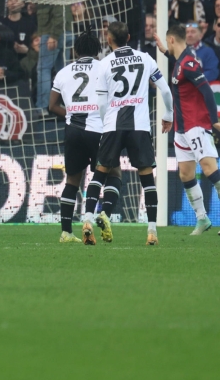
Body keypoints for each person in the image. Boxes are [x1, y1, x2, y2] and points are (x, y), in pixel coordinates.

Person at [91, 21, 172, 246]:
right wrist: (169, 115)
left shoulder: (105, 63)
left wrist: (107, 123)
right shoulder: (145, 58)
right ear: (128, 37)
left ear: (108, 39)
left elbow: (100, 103)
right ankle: (152, 230)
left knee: (102, 171)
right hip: (139, 126)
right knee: (147, 178)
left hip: (113, 126)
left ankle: (88, 218)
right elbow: (165, 90)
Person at [155, 22, 220, 236]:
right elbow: (180, 72)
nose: (167, 44)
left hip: (196, 126)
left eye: (167, 42)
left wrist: (214, 120)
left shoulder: (190, 63)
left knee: (210, 169)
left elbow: (207, 92)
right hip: (182, 129)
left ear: (172, 39)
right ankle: (202, 219)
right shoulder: (181, 61)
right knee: (185, 174)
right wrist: (165, 53)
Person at [48, 33, 104, 244]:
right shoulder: (104, 67)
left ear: (76, 51)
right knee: (106, 173)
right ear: (98, 50)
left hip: (73, 130)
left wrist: (72, 113)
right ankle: (91, 217)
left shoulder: (63, 72)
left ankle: (66, 232)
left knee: (72, 180)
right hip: (97, 128)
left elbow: (52, 106)